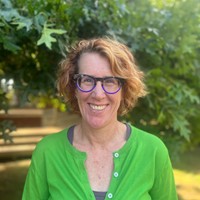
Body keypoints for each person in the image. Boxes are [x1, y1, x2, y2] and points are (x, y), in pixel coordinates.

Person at [22, 37, 178, 200]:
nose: (98, 94)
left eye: (110, 81)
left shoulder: (153, 151)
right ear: (74, 87)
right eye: (87, 80)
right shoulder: (47, 152)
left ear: (124, 90)